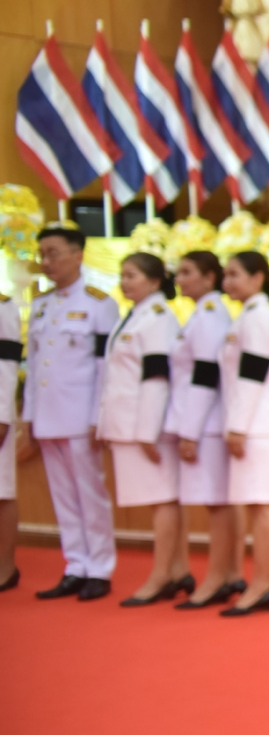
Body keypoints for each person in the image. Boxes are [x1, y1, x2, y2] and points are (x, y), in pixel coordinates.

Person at [23, 225, 120, 601]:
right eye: (42, 254)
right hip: (48, 415)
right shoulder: (41, 305)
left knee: (90, 493)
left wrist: (99, 416)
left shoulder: (98, 303)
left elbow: (104, 368)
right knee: (62, 496)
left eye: (53, 253)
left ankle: (100, 568)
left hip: (81, 416)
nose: (46, 262)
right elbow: (35, 368)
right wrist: (30, 416)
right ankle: (75, 565)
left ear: (77, 255)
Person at [96, 252, 193, 606]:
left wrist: (148, 431)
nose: (124, 282)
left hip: (145, 425)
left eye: (132, 275)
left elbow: (156, 377)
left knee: (162, 498)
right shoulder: (136, 315)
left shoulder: (157, 318)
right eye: (122, 275)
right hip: (128, 423)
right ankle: (178, 570)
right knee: (160, 499)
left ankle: (161, 574)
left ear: (154, 281)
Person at [168, 251, 245, 610]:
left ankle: (217, 578)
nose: (179, 279)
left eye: (187, 272)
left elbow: (205, 375)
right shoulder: (203, 314)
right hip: (206, 421)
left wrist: (190, 431)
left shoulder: (210, 315)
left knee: (217, 505)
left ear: (209, 277)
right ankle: (230, 573)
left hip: (207, 423)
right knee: (221, 503)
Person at [219, 251, 269, 618]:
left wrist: (237, 426)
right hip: (259, 421)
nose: (227, 282)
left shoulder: (257, 318)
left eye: (234, 274)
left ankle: (262, 583)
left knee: (263, 506)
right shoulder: (250, 315)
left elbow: (252, 375)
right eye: (225, 275)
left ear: (257, 278)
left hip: (256, 423)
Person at [0, 288, 20, 592]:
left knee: (1, 490)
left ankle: (5, 567)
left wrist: (3, 414)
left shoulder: (3, 307)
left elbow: (7, 363)